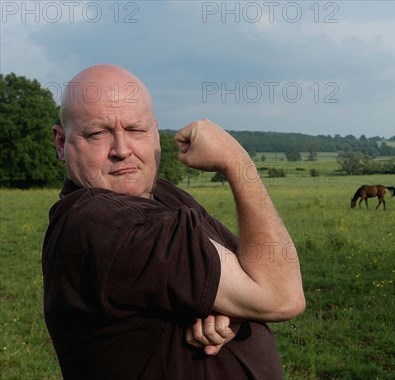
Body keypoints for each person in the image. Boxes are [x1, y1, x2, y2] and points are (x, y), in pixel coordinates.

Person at [43, 64, 305, 379]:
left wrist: (236, 304)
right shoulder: (106, 225)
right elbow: (281, 295)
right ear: (61, 142)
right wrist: (236, 162)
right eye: (97, 133)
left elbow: (256, 272)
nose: (122, 150)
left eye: (136, 130)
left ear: (155, 131)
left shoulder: (162, 195)